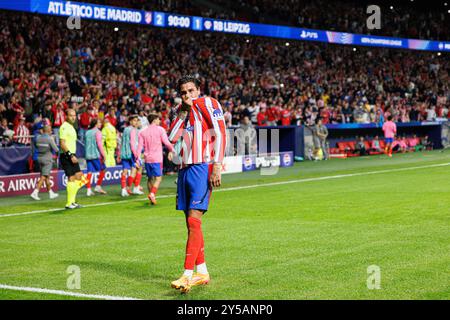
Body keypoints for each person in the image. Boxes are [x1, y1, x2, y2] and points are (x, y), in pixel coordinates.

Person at [168, 75, 227, 293]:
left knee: (194, 221)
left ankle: (187, 274)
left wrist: (217, 166)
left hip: (203, 166)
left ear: (198, 90)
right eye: (183, 92)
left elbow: (220, 133)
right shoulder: (179, 111)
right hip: (184, 168)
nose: (188, 95)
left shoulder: (208, 103)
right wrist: (182, 111)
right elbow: (172, 137)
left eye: (191, 91)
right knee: (191, 224)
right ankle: (202, 271)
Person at [137, 113, 174, 205]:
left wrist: (137, 158)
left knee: (150, 178)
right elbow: (166, 142)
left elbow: (139, 147)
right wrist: (172, 150)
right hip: (157, 158)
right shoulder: (160, 130)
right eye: (158, 119)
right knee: (158, 178)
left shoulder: (142, 132)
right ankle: (152, 194)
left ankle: (151, 198)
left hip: (147, 158)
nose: (160, 121)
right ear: (154, 120)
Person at [59, 109, 87, 209]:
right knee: (71, 178)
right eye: (71, 115)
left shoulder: (71, 127)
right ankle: (69, 203)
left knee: (80, 178)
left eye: (74, 115)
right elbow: (62, 143)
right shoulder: (64, 127)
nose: (73, 117)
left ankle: (72, 201)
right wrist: (70, 155)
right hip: (67, 155)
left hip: (72, 155)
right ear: (66, 116)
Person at [30, 125, 59, 200]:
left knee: (47, 176)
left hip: (39, 158)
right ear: (49, 131)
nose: (51, 131)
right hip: (47, 159)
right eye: (51, 130)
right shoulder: (50, 139)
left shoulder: (38, 138)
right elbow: (56, 149)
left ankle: (50, 192)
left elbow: (35, 146)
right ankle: (35, 192)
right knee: (44, 176)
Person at [118, 115, 143, 197]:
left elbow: (122, 142)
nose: (136, 122)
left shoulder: (125, 129)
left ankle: (123, 190)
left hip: (124, 153)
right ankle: (133, 188)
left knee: (125, 171)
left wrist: (119, 153)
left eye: (137, 121)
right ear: (131, 121)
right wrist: (136, 155)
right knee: (138, 169)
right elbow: (132, 144)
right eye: (135, 120)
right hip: (132, 153)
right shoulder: (133, 130)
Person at [84, 118, 107, 196]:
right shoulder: (98, 132)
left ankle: (88, 190)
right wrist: (103, 155)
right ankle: (98, 186)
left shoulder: (87, 132)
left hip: (88, 155)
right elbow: (99, 145)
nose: (100, 124)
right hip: (95, 155)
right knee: (103, 169)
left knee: (89, 172)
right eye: (99, 122)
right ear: (95, 124)